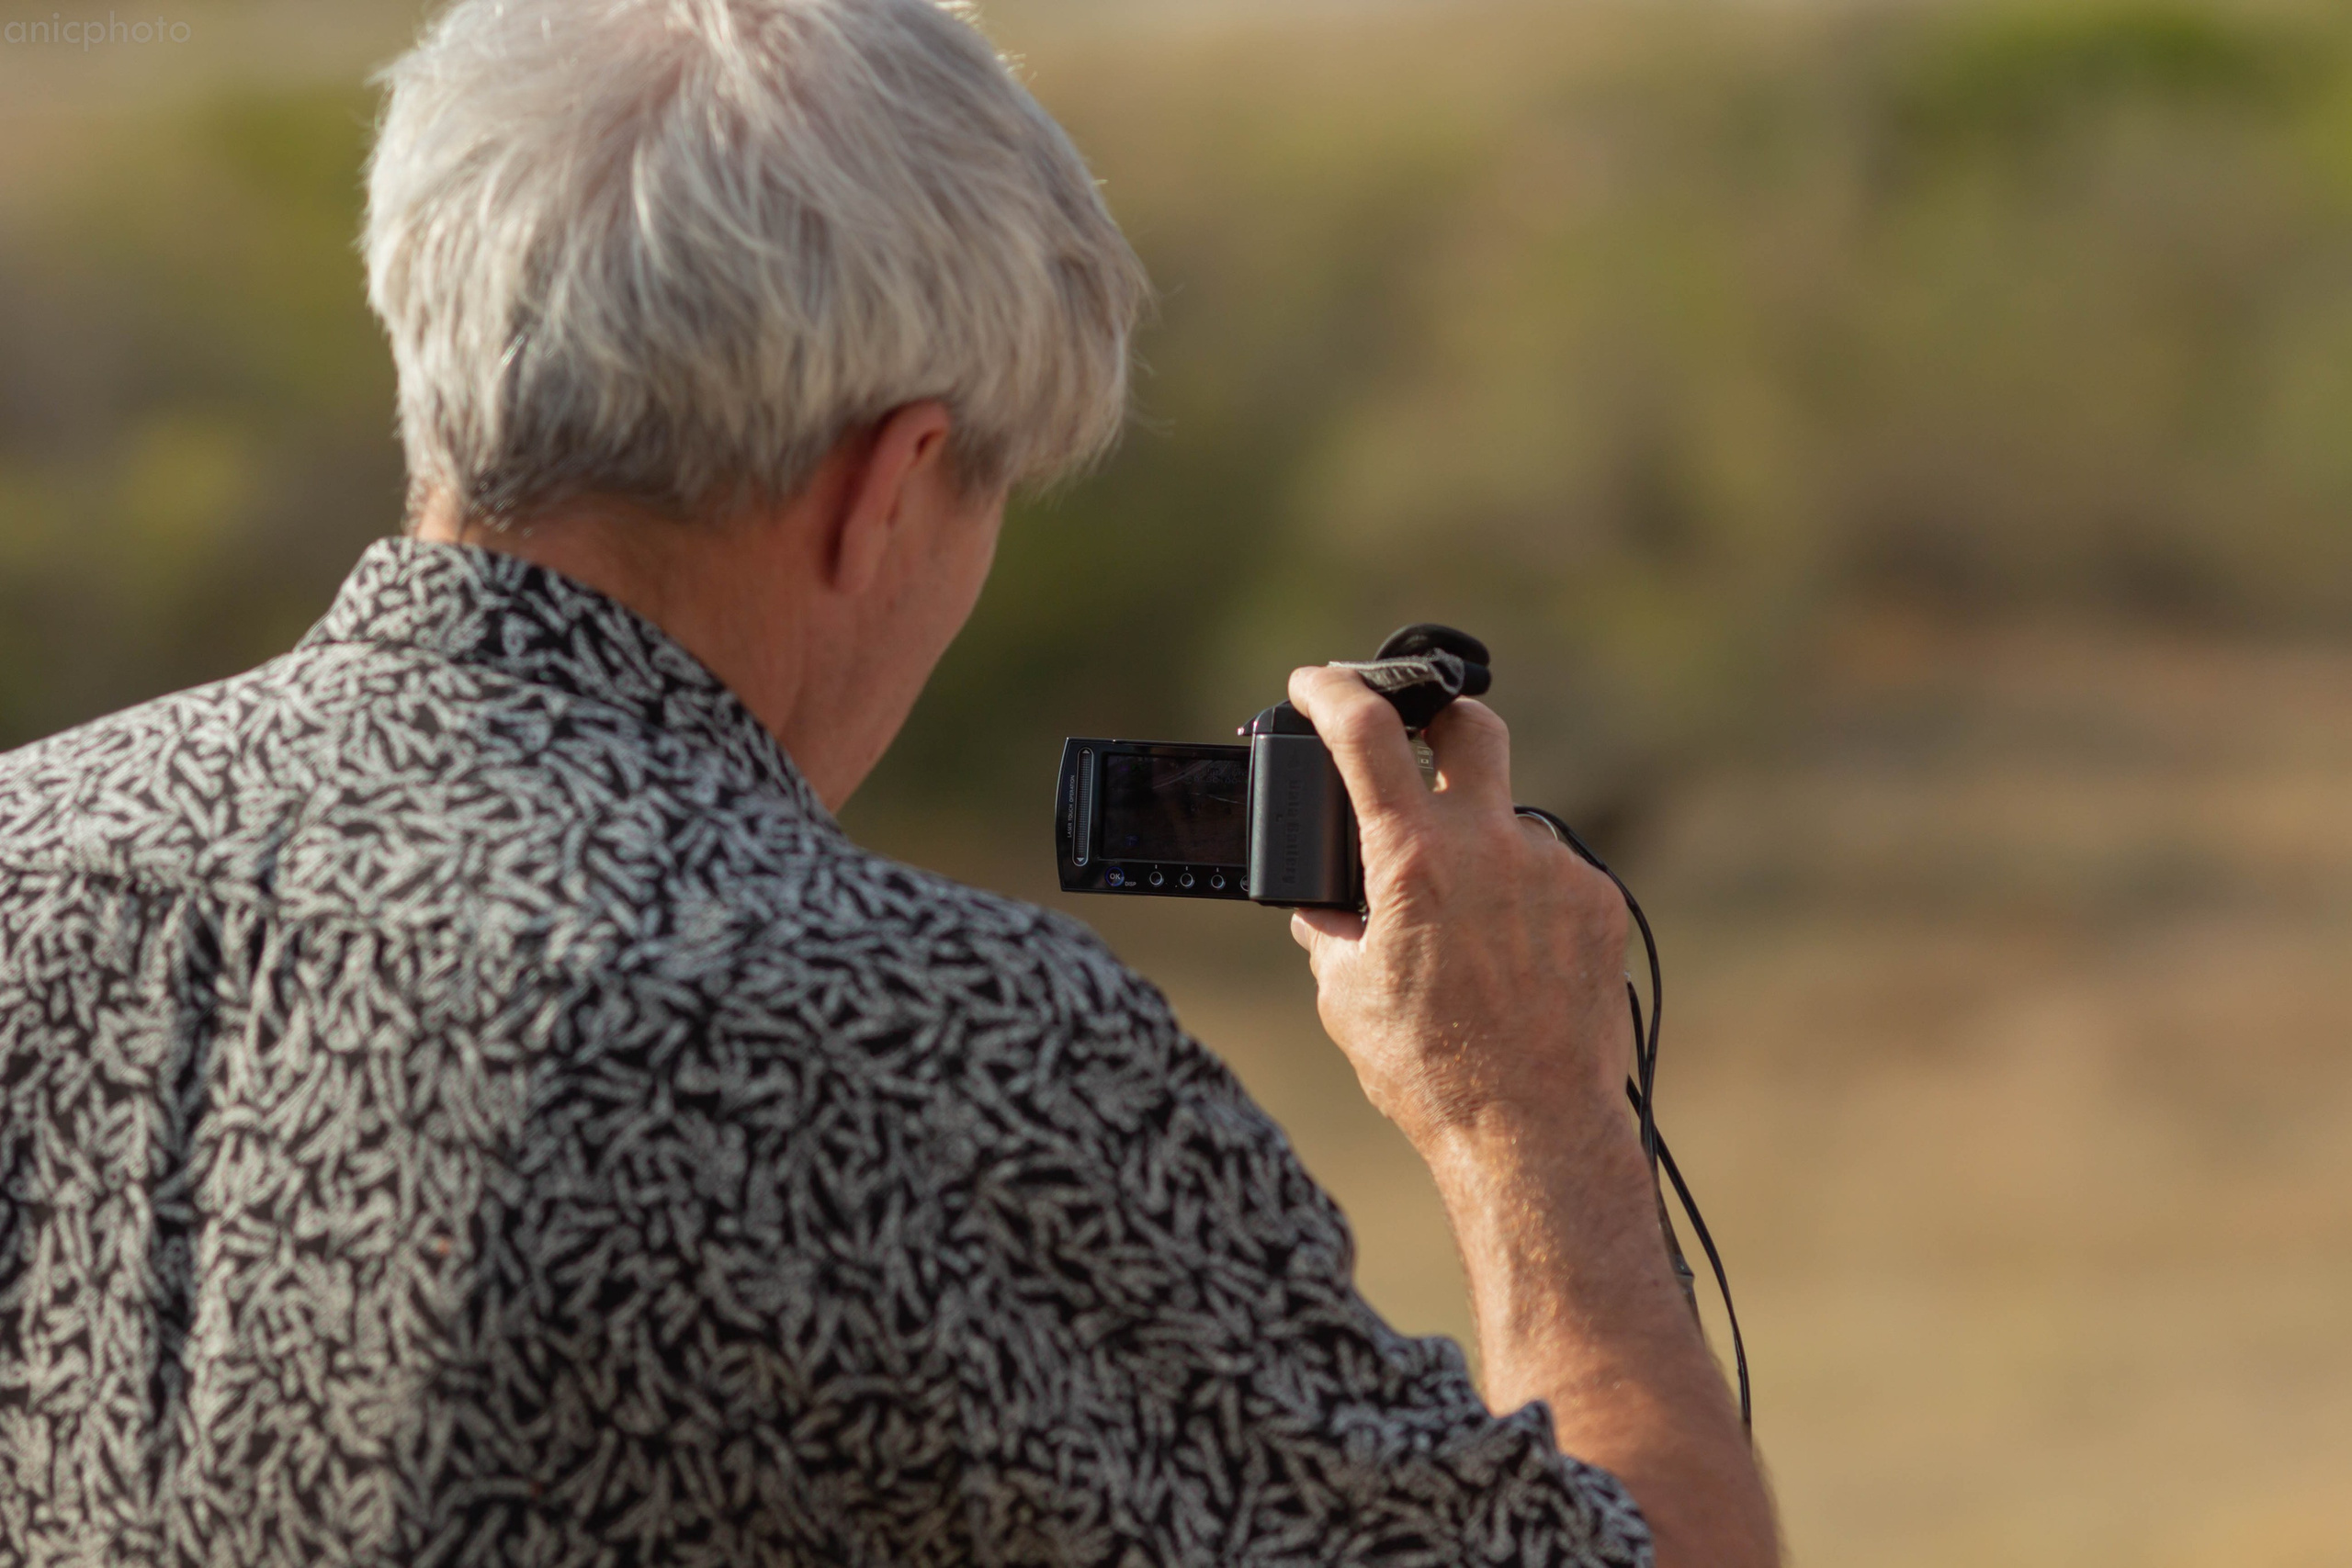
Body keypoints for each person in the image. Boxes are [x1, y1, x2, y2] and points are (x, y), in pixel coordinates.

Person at [0, 0, 1776, 1563]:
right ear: (890, 481)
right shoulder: (929, 1049)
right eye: (993, 493)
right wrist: (1528, 1118)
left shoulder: (29, 858)